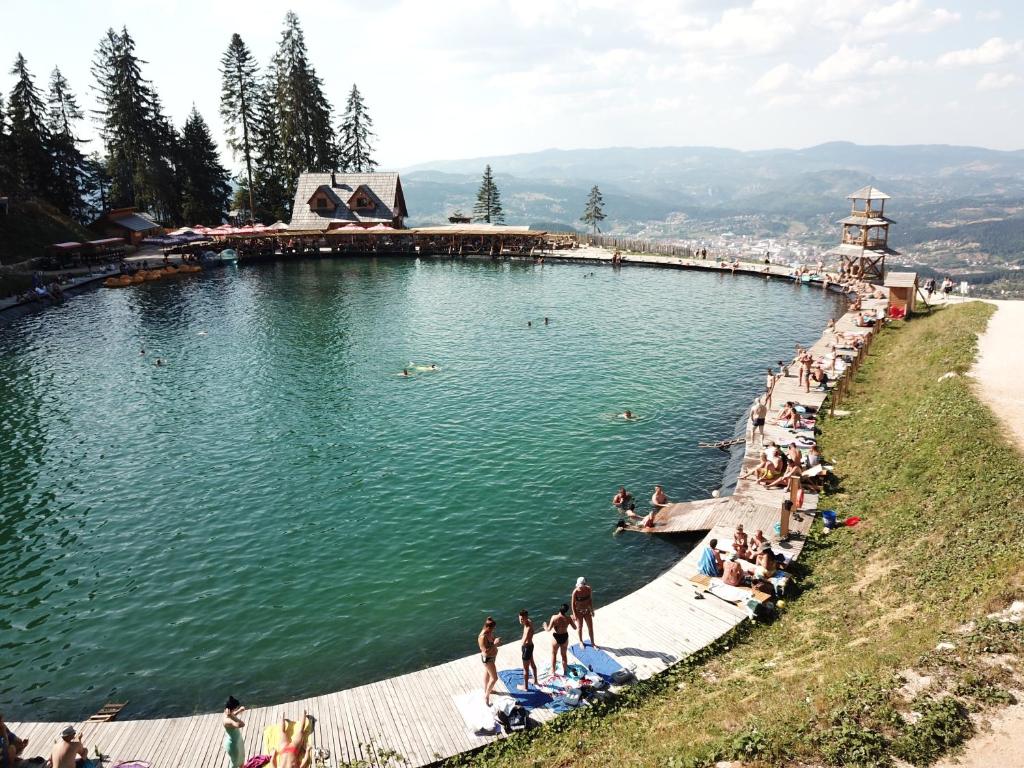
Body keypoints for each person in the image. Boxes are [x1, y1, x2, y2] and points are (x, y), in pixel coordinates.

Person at [544, 604, 577, 676]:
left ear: (559, 609)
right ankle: (565, 671)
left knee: (554, 654)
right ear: (566, 611)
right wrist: (573, 619)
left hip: (556, 638)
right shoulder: (568, 618)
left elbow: (548, 629)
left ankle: (553, 671)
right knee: (564, 655)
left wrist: (545, 626)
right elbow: (575, 628)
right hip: (564, 637)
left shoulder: (554, 617)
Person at [478, 617, 501, 706]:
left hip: (492, 657)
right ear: (488, 627)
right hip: (487, 659)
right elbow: (485, 651)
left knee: (487, 673)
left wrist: (496, 642)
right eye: (492, 628)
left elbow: (492, 642)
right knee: (494, 678)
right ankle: (486, 696)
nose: (493, 630)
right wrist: (495, 644)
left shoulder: (489, 633)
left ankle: (486, 689)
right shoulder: (482, 637)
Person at [571, 577, 596, 647]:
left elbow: (590, 600)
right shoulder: (575, 592)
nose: (581, 588)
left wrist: (592, 610)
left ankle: (593, 643)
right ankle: (581, 641)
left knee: (590, 627)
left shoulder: (589, 589)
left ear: (585, 584)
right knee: (580, 627)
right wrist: (574, 614)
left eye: (582, 586)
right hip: (578, 612)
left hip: (587, 611)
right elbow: (572, 604)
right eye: (580, 586)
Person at [223, 696, 246, 768]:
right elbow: (242, 724)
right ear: (232, 708)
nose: (236, 708)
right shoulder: (227, 721)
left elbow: (232, 714)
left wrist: (239, 710)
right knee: (235, 763)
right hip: (233, 744)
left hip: (238, 740)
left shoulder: (228, 713)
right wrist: (232, 716)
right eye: (236, 708)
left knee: (242, 758)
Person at [518, 610, 538, 691]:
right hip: (530, 646)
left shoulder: (528, 628)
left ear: (526, 618)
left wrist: (522, 644)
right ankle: (536, 681)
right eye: (520, 618)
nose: (521, 620)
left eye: (522, 619)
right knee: (532, 663)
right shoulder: (529, 621)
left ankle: (525, 687)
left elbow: (523, 641)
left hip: (526, 649)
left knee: (525, 669)